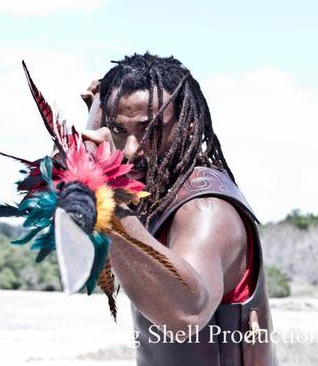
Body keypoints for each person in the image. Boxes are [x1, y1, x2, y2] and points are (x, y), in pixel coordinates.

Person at [80, 53, 276, 366]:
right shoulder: (159, 194)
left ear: (186, 125)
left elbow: (186, 314)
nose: (131, 150)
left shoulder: (204, 208)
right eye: (118, 130)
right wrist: (96, 112)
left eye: (150, 130)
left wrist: (107, 200)